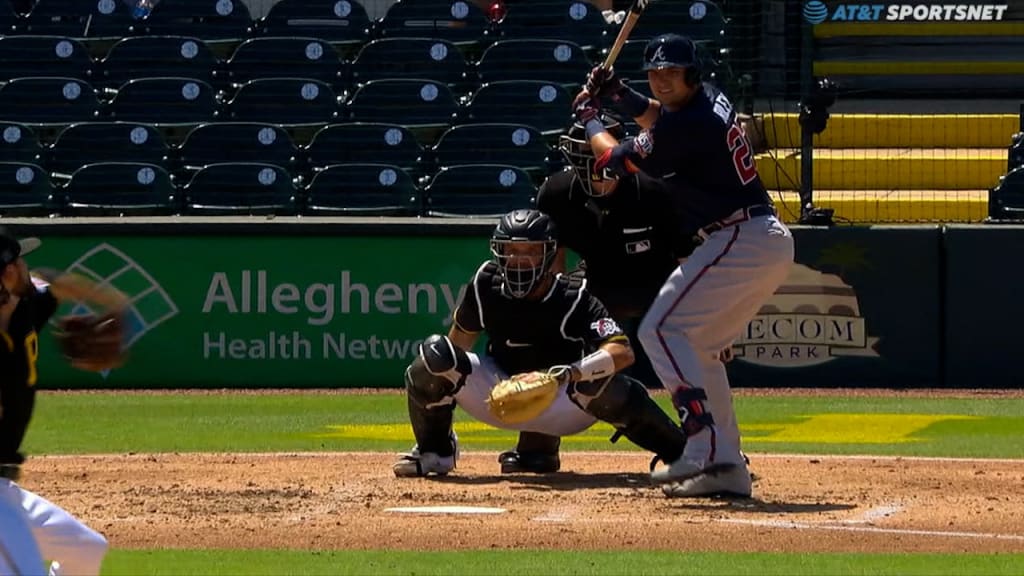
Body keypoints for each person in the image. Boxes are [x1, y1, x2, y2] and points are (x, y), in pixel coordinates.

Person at [574, 34, 795, 498]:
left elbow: (615, 160)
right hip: (757, 239)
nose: (662, 80)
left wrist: (590, 117)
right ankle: (726, 467)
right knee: (701, 348)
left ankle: (700, 445)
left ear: (692, 74)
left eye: (672, 73)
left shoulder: (688, 126)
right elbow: (661, 117)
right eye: (655, 73)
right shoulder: (707, 101)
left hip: (742, 235)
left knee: (660, 330)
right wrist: (619, 94)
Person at [392, 209, 688, 478]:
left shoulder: (573, 295)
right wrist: (442, 388)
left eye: (529, 252)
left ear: (547, 255)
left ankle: (685, 454)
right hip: (499, 395)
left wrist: (567, 373)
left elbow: (621, 350)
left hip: (561, 398)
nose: (519, 261)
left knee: (601, 383)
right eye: (511, 251)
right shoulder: (485, 283)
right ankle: (436, 452)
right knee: (435, 354)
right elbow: (457, 350)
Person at [537, 114, 696, 392]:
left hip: (658, 284)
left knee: (677, 365)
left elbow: (686, 260)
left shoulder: (654, 190)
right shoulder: (556, 193)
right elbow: (555, 267)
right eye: (584, 152)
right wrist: (559, 316)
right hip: (598, 283)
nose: (593, 161)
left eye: (598, 151)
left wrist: (700, 320)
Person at [0, 227, 121, 575]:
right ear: (7, 273)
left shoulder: (23, 306)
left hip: (8, 491)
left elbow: (52, 281)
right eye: (20, 261)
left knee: (86, 549)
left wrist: (115, 304)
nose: (27, 267)